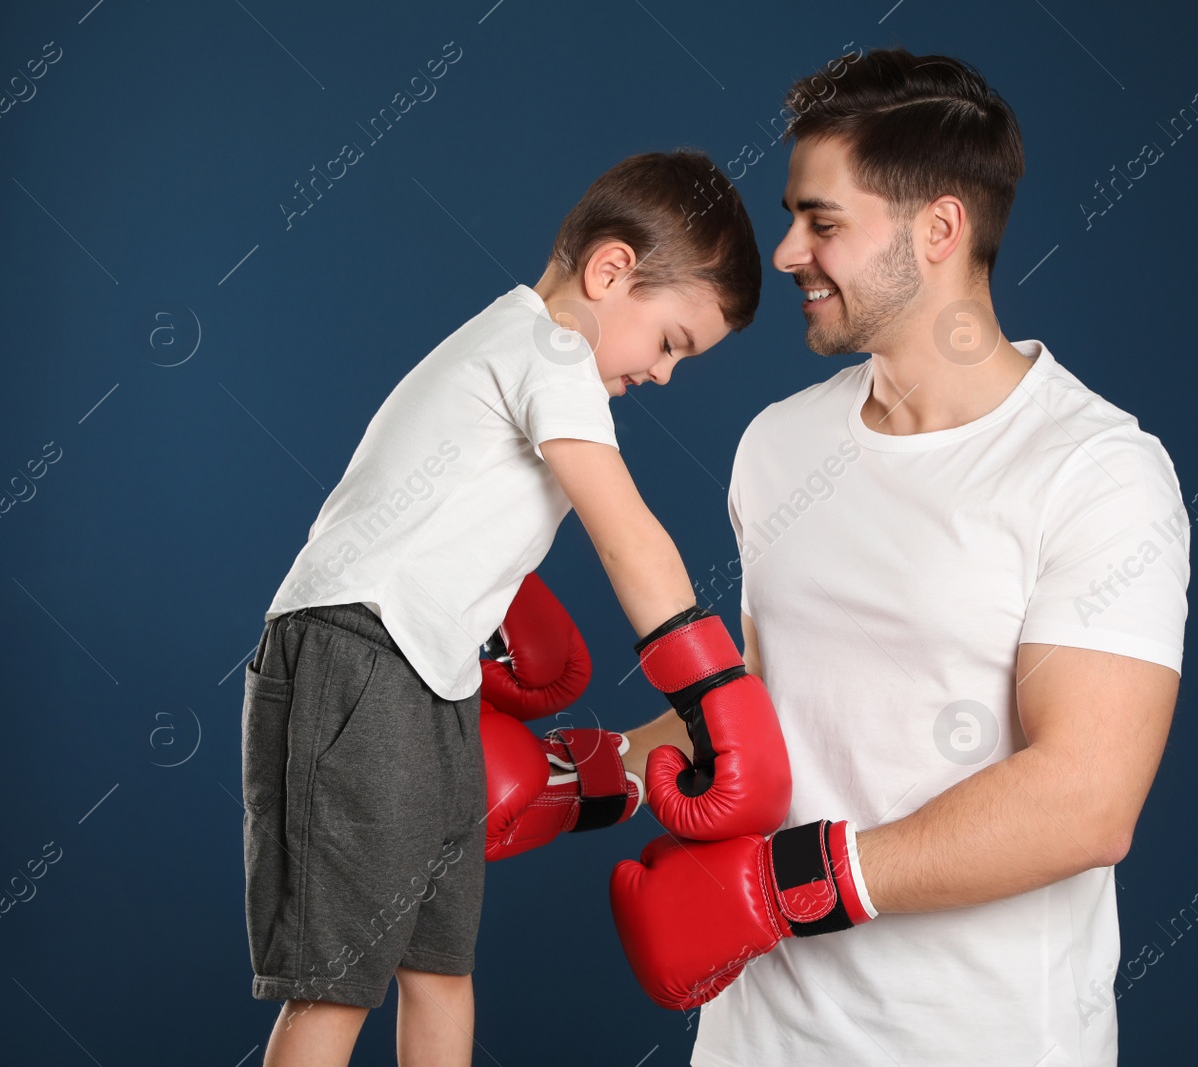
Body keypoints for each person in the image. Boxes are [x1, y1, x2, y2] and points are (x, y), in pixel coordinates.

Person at [609, 49, 1192, 1066]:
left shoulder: (1094, 470)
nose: (787, 251)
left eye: (822, 221)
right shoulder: (779, 444)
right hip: (758, 1040)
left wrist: (785, 885)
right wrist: (582, 774)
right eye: (793, 216)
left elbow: (1085, 797)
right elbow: (769, 703)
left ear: (938, 229)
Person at [240, 149, 791, 1067]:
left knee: (440, 966)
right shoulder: (545, 350)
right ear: (611, 272)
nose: (663, 373)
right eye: (670, 341)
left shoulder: (523, 354)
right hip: (356, 653)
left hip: (429, 675)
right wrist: (715, 688)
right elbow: (627, 534)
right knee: (336, 985)